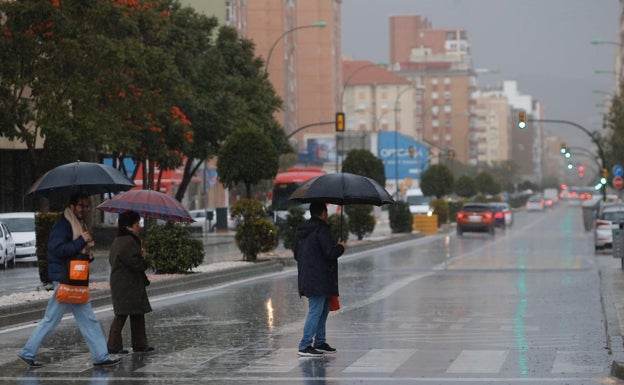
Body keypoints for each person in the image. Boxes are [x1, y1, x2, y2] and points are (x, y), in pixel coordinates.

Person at [18, 193, 121, 368]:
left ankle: (100, 356)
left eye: (87, 206)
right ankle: (100, 356)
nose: (85, 209)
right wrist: (81, 240)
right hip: (66, 279)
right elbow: (57, 250)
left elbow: (71, 252)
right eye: (82, 205)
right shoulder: (64, 224)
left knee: (78, 319)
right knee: (65, 319)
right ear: (72, 206)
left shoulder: (74, 223)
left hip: (72, 279)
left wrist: (85, 254)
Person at [293, 202, 346, 357]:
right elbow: (330, 253)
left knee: (323, 308)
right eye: (326, 212)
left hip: (309, 276)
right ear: (323, 213)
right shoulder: (321, 229)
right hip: (320, 277)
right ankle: (304, 345)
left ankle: (320, 341)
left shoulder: (302, 230)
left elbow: (296, 254)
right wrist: (340, 247)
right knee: (316, 310)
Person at [107, 210, 154, 354]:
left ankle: (139, 344)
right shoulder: (128, 241)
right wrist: (144, 258)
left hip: (127, 283)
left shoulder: (120, 240)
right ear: (129, 226)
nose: (138, 226)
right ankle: (114, 346)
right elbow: (135, 263)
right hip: (127, 284)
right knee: (122, 314)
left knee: (136, 313)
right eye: (136, 223)